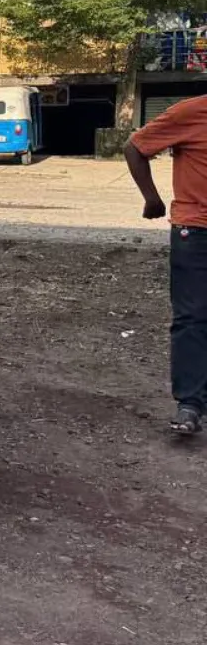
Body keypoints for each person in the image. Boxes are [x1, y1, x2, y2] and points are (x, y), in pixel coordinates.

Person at [124, 94, 207, 434]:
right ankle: (190, 403)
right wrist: (152, 198)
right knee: (192, 316)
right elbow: (135, 146)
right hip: (196, 230)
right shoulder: (192, 111)